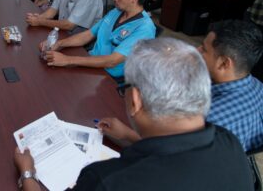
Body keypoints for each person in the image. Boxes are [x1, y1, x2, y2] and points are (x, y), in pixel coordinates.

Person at [14, 38, 254, 191]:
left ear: (135, 100)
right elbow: (179, 154)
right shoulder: (230, 142)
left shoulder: (107, 180)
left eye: (124, 88)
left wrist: (27, 173)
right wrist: (129, 135)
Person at [38, 0, 155, 79]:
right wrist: (59, 44)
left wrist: (67, 60)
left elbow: (112, 61)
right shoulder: (116, 12)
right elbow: (89, 34)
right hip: (91, 64)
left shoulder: (144, 28)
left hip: (109, 77)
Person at [198, 20, 263, 152]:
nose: (196, 50)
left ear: (223, 63)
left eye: (204, 49)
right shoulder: (259, 86)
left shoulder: (207, 120)